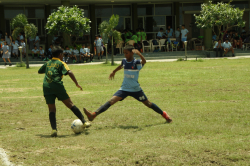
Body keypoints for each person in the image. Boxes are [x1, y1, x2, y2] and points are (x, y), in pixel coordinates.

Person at [83, 45, 172, 124]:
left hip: (136, 89)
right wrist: (114, 71)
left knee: (148, 103)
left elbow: (144, 62)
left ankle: (164, 114)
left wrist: (140, 54)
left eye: (126, 53)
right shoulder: (124, 61)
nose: (125, 55)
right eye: (124, 53)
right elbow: (121, 66)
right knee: (111, 101)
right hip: (124, 89)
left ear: (132, 53)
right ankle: (93, 115)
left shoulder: (136, 62)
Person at [38, 46, 90, 137]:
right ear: (60, 55)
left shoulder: (48, 63)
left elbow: (39, 71)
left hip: (46, 87)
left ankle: (54, 130)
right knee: (70, 104)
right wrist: (76, 83)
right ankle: (84, 122)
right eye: (63, 54)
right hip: (57, 86)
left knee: (51, 109)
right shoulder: (61, 63)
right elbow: (69, 72)